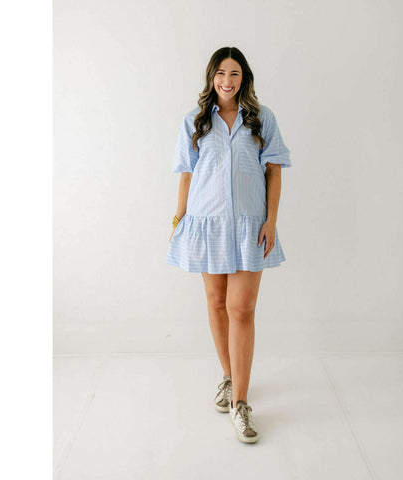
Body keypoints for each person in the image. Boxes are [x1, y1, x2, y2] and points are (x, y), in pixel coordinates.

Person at [166, 47, 292, 443]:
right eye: (221, 73)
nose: (227, 80)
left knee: (242, 308)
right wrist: (178, 220)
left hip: (250, 226)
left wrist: (271, 220)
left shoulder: (262, 118)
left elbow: (274, 172)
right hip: (206, 224)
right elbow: (187, 175)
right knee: (216, 302)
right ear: (211, 77)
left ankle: (240, 403)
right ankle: (229, 375)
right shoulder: (195, 121)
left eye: (234, 73)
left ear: (244, 78)